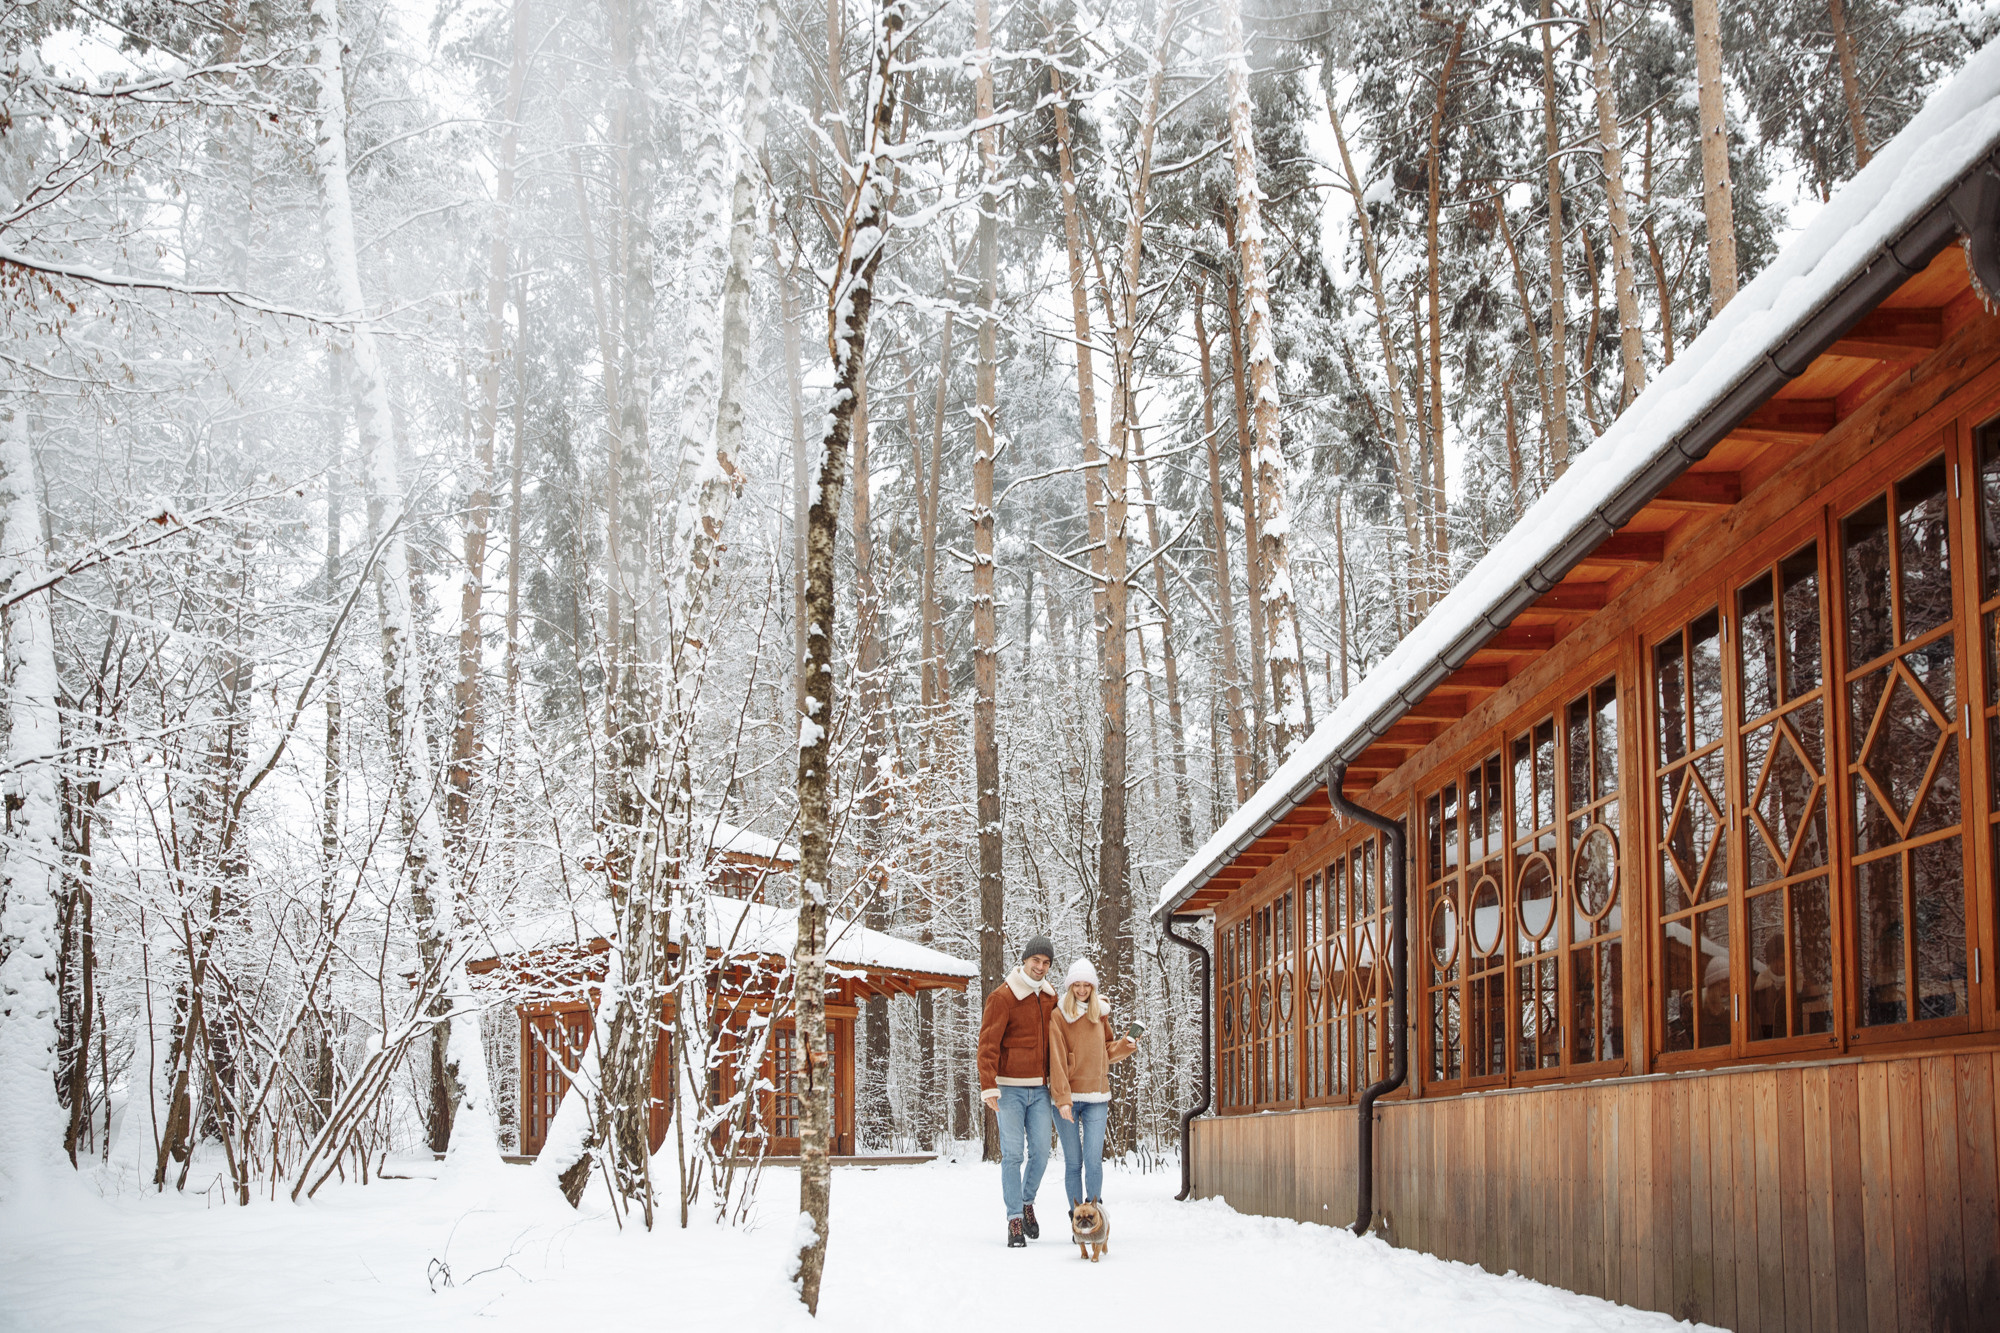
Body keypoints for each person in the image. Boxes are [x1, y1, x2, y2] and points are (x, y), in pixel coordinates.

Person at [978, 935, 1059, 1248]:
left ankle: (1027, 1202)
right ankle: (1014, 1218)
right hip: (1009, 1089)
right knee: (1012, 1154)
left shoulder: (1051, 997)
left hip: (1040, 1090)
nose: (1040, 967)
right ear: (1024, 960)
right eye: (1035, 960)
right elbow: (988, 1044)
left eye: (1046, 962)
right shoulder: (1003, 997)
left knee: (1041, 1152)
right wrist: (989, 1086)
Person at [1048, 957, 1137, 1220]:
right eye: (1077, 985)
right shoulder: (1059, 1015)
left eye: (1087, 985)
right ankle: (1077, 1218)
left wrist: (1125, 1045)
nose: (1082, 990)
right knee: (1074, 1163)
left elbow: (1106, 1050)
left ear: (1093, 987)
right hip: (1068, 1099)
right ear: (1070, 986)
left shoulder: (1099, 1014)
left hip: (1097, 1096)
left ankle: (1095, 1216)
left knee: (1093, 1161)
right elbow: (1056, 1059)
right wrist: (1062, 1099)